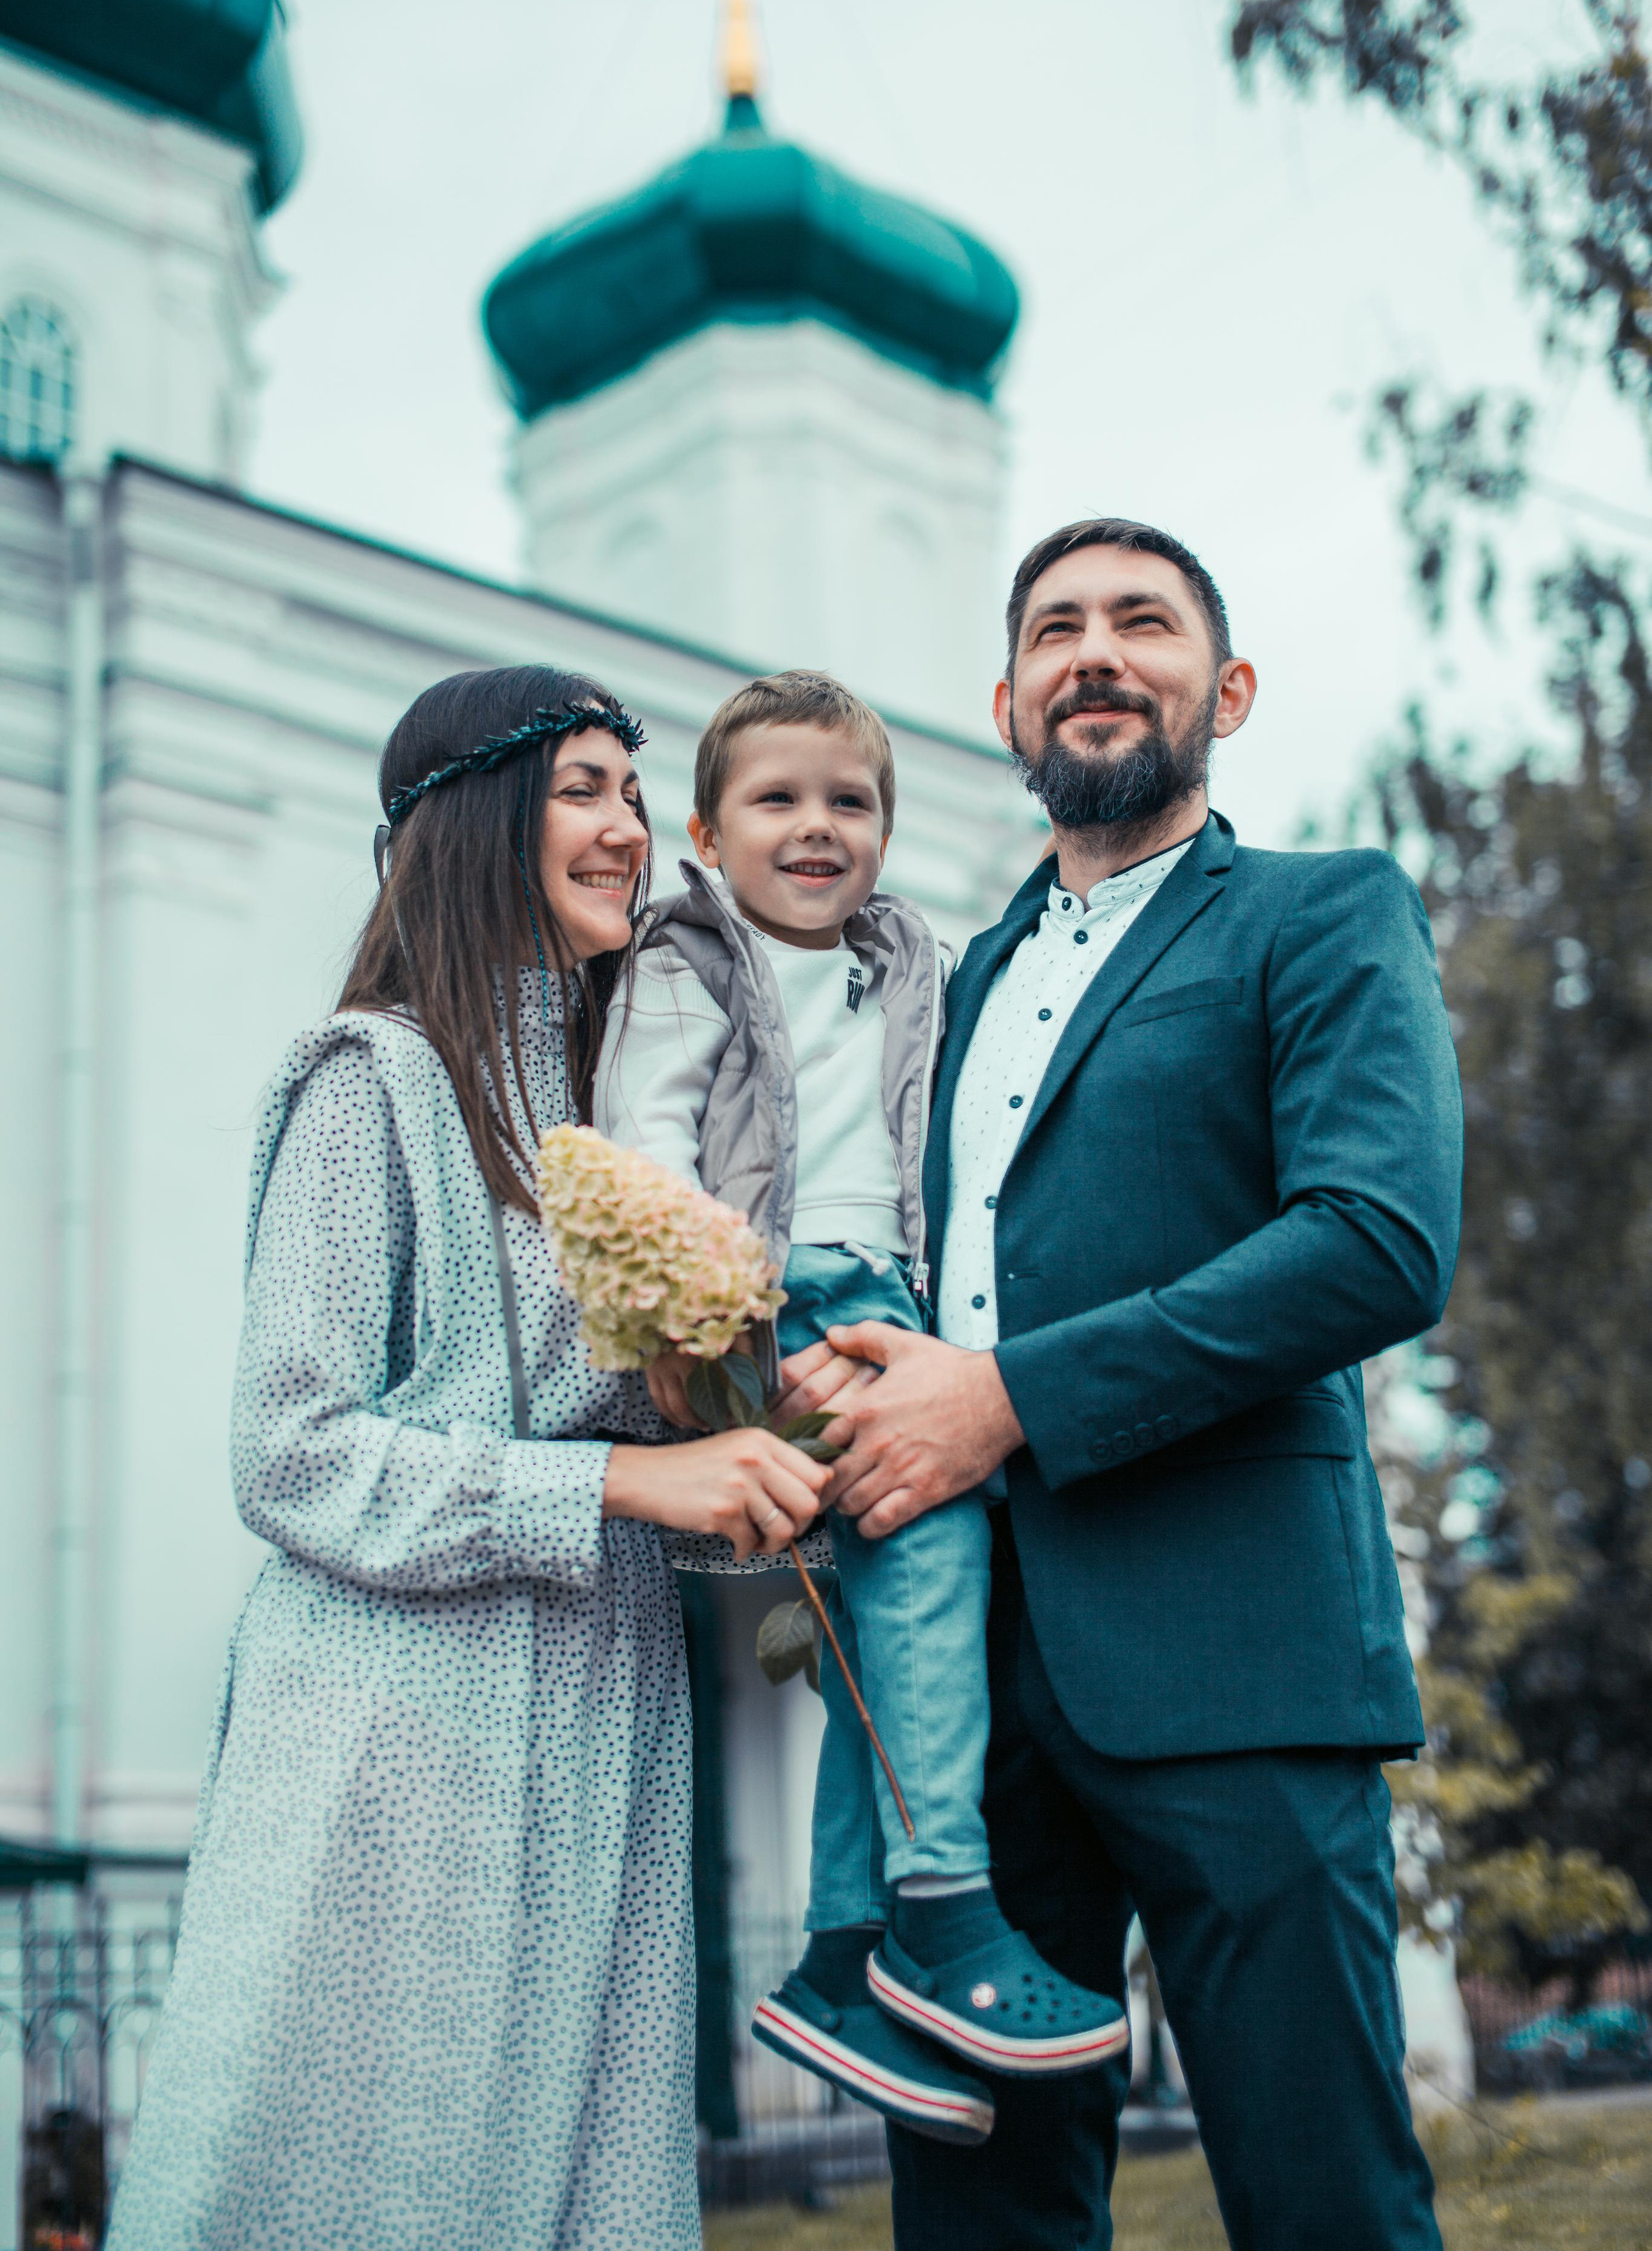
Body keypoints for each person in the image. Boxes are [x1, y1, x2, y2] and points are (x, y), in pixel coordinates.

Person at [778, 521, 1464, 2251]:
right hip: (967, 1716)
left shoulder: (1327, 915)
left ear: (1222, 689)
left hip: (1245, 1665)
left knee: (1329, 2207)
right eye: (1057, 630)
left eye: (1142, 622)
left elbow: (1375, 1242)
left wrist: (1005, 1398)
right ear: (1007, 708)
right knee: (982, 2218)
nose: (1097, 651)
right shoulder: (935, 983)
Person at [106, 665, 831, 2251]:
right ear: (475, 820)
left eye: (633, 797)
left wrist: (775, 1439)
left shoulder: (630, 1115)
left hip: (606, 1727)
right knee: (378, 2190)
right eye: (583, 789)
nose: (627, 830)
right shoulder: (371, 1082)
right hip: (396, 1751)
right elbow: (287, 1454)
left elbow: (666, 1453)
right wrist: (626, 1484)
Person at [595, 670, 1129, 2150]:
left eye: (850, 802)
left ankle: (839, 1963)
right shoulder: (685, 963)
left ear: (885, 832)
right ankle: (942, 1907)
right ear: (707, 831)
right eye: (778, 800)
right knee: (932, 1569)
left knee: (879, 1647)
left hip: (894, 1306)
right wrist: (713, 1330)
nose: (816, 827)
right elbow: (644, 1145)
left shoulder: (916, 966)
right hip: (765, 1303)